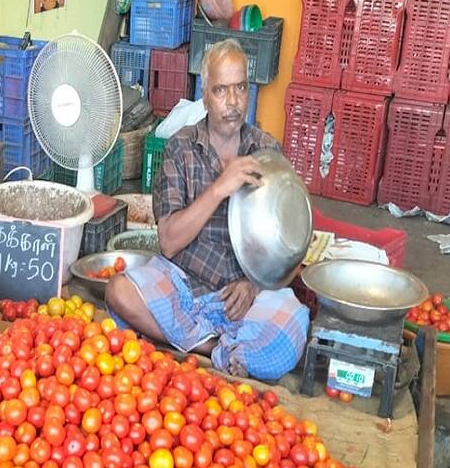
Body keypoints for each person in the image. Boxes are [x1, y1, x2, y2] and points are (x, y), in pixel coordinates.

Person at [104, 39, 309, 381]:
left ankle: (189, 340)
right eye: (221, 90)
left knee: (293, 324)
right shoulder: (179, 148)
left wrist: (254, 286)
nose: (232, 102)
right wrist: (218, 188)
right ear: (204, 94)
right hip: (184, 286)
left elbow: (292, 250)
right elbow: (168, 242)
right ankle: (212, 346)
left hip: (242, 298)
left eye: (240, 88)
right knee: (119, 292)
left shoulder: (268, 152)